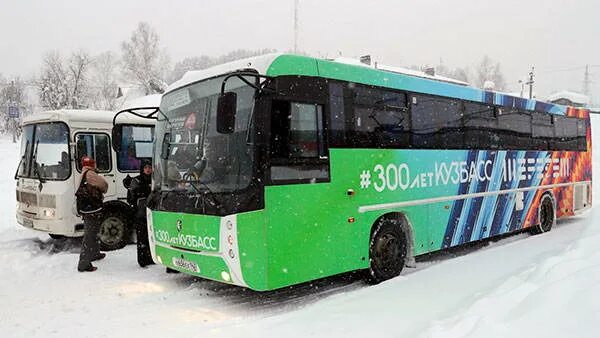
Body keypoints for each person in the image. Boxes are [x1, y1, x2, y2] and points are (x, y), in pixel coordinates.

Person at [75, 156, 108, 272]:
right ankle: (83, 263)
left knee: (94, 233)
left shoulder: (85, 173)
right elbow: (104, 184)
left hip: (88, 209)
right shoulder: (90, 174)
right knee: (90, 235)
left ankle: (95, 253)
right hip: (91, 209)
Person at [127, 159, 155, 267]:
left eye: (149, 167)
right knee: (142, 237)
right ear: (142, 169)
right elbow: (131, 198)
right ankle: (142, 260)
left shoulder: (155, 180)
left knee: (150, 236)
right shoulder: (137, 181)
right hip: (140, 214)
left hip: (152, 213)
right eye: (146, 168)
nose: (148, 170)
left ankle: (150, 257)